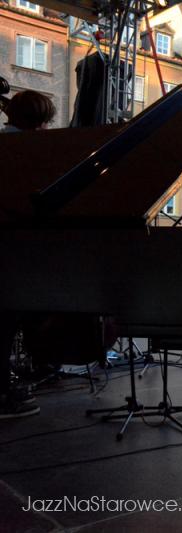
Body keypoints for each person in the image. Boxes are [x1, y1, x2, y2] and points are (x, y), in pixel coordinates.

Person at [1, 90, 58, 419]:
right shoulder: (28, 152)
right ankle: (4, 394)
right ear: (39, 123)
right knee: (6, 324)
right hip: (15, 251)